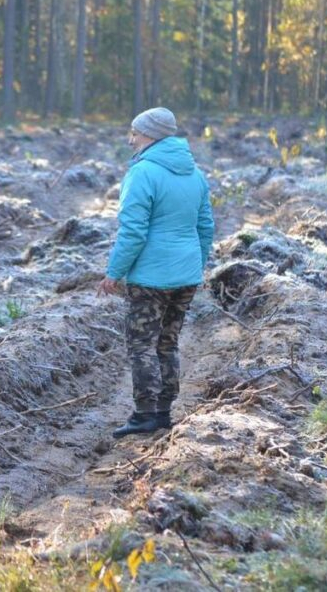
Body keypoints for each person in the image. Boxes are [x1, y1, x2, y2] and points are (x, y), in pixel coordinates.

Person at [98, 107, 214, 438]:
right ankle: (163, 413)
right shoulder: (196, 174)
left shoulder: (142, 173)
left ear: (150, 135)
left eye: (134, 132)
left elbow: (133, 231)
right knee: (168, 342)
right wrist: (196, 263)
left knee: (141, 345)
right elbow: (205, 227)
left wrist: (114, 273)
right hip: (186, 276)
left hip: (150, 278)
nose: (130, 138)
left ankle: (144, 414)